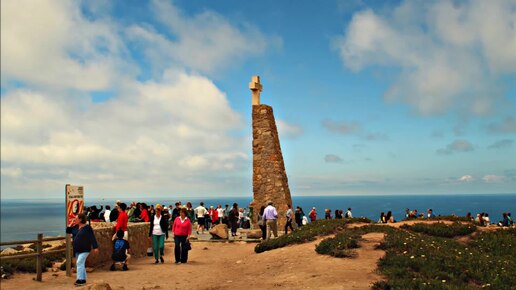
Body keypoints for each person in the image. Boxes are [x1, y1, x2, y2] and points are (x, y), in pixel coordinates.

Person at [66, 213, 99, 286]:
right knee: (81, 263)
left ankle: (80, 280)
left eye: (76, 218)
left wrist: (95, 247)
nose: (74, 219)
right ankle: (83, 278)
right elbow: (68, 231)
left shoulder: (87, 228)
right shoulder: (75, 227)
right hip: (77, 249)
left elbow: (92, 237)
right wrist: (70, 224)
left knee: (79, 263)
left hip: (85, 249)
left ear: (80, 219)